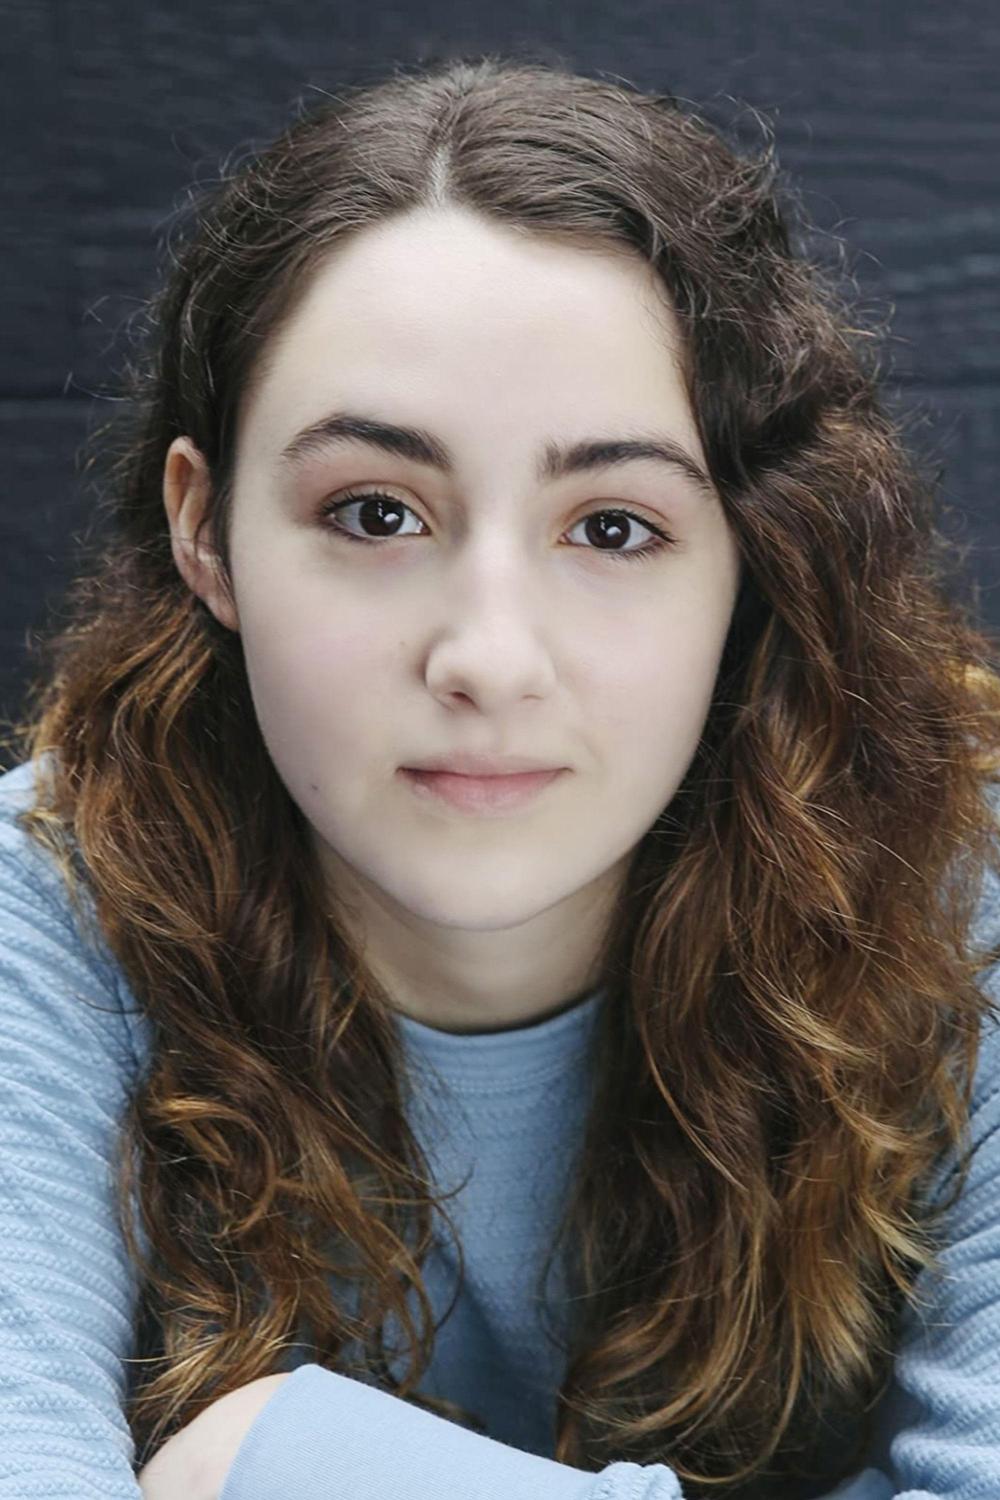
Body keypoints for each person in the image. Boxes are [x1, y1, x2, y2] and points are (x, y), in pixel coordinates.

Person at [2, 52, 1000, 1500]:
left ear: (754, 562)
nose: (488, 657)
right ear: (206, 532)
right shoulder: (44, 908)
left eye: (611, 529)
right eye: (376, 512)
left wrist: (276, 1464)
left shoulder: (963, 900)